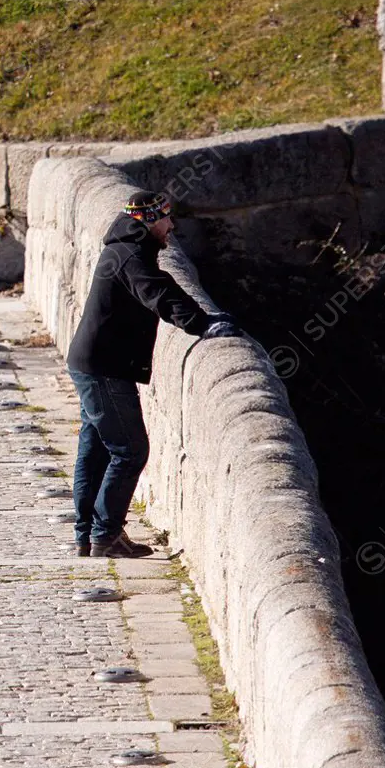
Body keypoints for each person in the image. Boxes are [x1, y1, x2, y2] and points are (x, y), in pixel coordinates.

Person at [66, 190, 242, 558]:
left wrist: (204, 318)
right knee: (130, 451)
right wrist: (201, 326)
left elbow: (164, 283)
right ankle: (105, 535)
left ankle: (88, 536)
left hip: (94, 362)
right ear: (147, 220)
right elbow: (158, 294)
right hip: (104, 369)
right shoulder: (130, 255)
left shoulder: (126, 249)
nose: (171, 225)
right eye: (165, 218)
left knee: (96, 451)